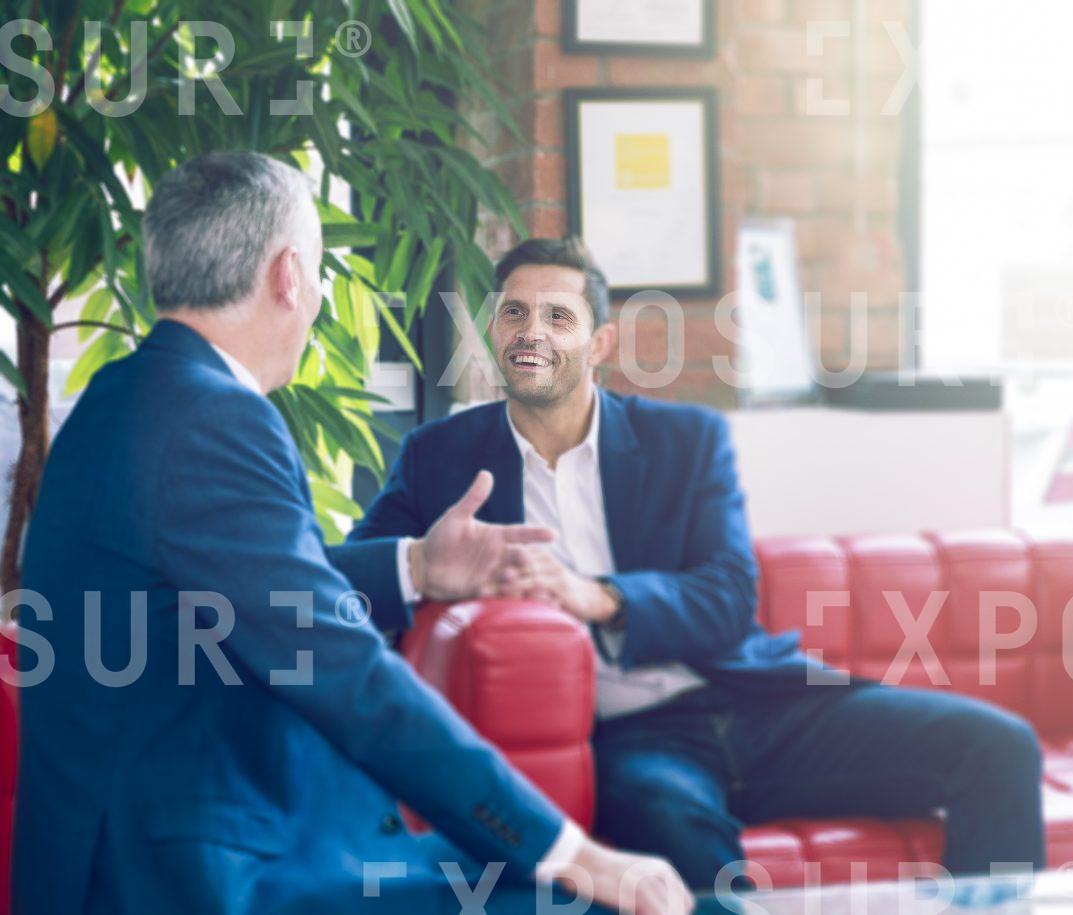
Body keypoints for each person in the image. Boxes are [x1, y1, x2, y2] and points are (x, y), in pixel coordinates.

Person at [14, 154, 691, 915]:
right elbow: (346, 672)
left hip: (162, 844)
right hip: (204, 875)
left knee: (523, 876)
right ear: (288, 275)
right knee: (587, 897)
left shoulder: (128, 395)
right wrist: (574, 851)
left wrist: (416, 567)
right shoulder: (213, 418)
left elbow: (234, 590)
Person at [349, 237, 1047, 893]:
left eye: (558, 316)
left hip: (758, 703)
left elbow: (727, 597)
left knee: (1000, 747)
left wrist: (598, 597)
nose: (532, 332)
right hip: (629, 739)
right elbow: (335, 583)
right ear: (494, 332)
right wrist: (419, 562)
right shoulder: (439, 459)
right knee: (674, 829)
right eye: (514, 313)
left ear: (599, 343)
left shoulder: (684, 440)